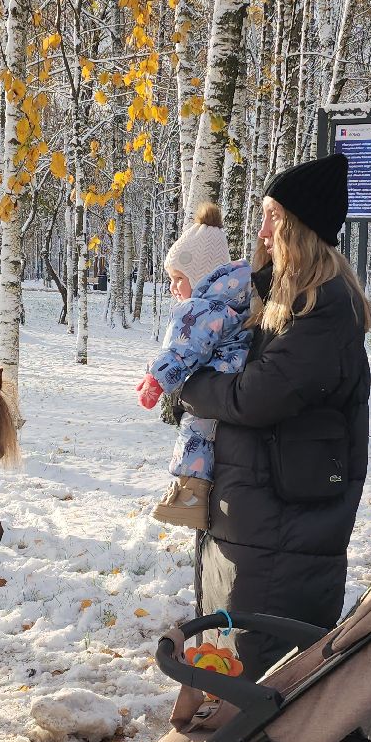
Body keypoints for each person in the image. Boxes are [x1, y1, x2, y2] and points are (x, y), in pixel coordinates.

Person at [179, 152, 371, 678]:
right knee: (231, 651)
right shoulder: (287, 295)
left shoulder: (324, 306)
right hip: (262, 514)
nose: (262, 232)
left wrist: (186, 381)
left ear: (300, 229)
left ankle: (247, 729)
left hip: (284, 526)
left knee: (262, 667)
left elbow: (254, 396)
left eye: (274, 218)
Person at [138, 202, 246, 530]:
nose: (173, 287)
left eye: (178, 278)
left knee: (195, 430)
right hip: (232, 381)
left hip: (217, 383)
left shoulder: (200, 309)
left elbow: (182, 350)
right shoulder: (233, 298)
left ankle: (190, 495)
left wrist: (156, 380)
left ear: (199, 276)